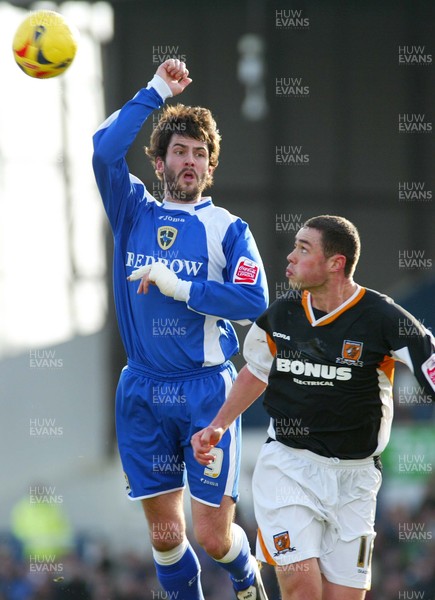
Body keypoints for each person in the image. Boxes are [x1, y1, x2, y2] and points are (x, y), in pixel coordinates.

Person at [92, 58, 269, 600]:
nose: (189, 162)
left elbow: (254, 301)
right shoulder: (132, 210)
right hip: (143, 389)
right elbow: (103, 149)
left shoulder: (228, 229)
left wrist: (182, 287)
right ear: (160, 160)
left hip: (204, 394)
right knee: (167, 537)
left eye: (199, 154)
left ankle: (246, 575)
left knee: (213, 538)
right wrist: (155, 91)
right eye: (179, 151)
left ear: (209, 166)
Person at [192, 215, 435, 600]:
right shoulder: (280, 315)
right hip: (288, 470)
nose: (289, 257)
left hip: (356, 482)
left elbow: (429, 365)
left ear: (335, 263)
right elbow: (256, 372)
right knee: (303, 590)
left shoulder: (384, 318)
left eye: (303, 249)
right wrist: (219, 425)